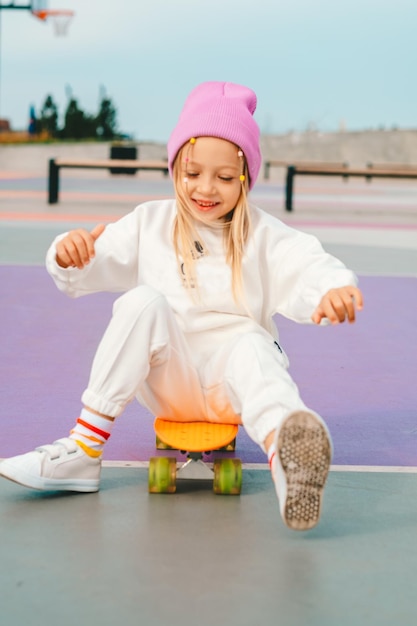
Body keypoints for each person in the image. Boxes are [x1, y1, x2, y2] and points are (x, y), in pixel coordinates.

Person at [0, 81, 363, 531]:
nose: (205, 188)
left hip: (233, 386)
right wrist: (69, 253)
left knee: (253, 345)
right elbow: (94, 260)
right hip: (169, 380)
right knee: (142, 301)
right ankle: (83, 450)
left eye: (225, 177)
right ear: (174, 170)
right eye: (192, 174)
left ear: (246, 177)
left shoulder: (264, 235)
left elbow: (306, 263)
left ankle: (287, 457)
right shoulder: (150, 222)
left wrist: (331, 289)